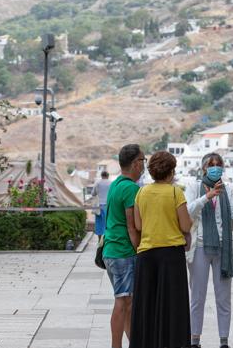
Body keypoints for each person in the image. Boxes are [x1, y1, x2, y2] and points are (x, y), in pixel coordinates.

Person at [185, 153, 233, 348]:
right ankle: (194, 340)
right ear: (204, 168)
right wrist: (207, 196)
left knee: (223, 298)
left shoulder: (227, 189)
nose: (215, 167)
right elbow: (187, 212)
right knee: (197, 297)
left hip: (223, 248)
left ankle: (224, 341)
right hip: (200, 248)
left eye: (218, 164)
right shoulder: (194, 187)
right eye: (211, 164)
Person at [130, 151, 192, 348]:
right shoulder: (175, 193)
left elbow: (138, 225)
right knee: (173, 307)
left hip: (146, 255)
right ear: (171, 171)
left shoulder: (141, 193)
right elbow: (186, 225)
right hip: (171, 256)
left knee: (147, 305)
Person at [103, 144, 145, 348]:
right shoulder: (130, 188)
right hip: (122, 252)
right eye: (143, 161)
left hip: (111, 250)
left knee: (128, 304)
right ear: (136, 163)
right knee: (122, 302)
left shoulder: (116, 184)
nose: (144, 165)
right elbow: (132, 226)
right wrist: (140, 250)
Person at [92, 171, 111, 240]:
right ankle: (106, 239)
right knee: (107, 223)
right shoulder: (111, 183)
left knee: (99, 223)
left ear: (101, 175)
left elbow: (93, 193)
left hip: (99, 206)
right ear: (108, 175)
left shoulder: (97, 183)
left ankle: (99, 240)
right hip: (108, 206)